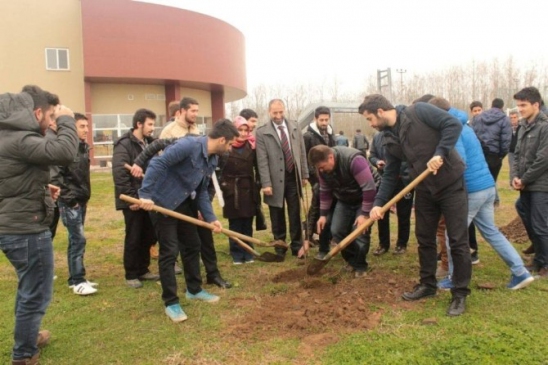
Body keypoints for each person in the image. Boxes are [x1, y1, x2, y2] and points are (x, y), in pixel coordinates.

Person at [360, 94, 471, 317]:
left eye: (370, 118)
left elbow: (452, 124)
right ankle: (427, 285)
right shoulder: (387, 137)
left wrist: (440, 153)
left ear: (381, 111)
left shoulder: (418, 111)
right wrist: (379, 203)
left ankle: (459, 294)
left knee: (457, 240)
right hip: (425, 189)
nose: (370, 124)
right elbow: (390, 173)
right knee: (424, 238)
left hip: (450, 184)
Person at [0, 85, 78, 365]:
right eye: (50, 116)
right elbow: (65, 152)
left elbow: (8, 179)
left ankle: (28, 337)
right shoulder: (21, 138)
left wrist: (41, 187)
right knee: (35, 293)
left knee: (28, 287)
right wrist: (68, 118)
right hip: (26, 230)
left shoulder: (6, 136)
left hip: (12, 225)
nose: (52, 122)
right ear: (36, 113)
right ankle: (23, 355)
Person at [428, 97, 534, 291]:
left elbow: (459, 163)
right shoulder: (462, 124)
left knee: (454, 236)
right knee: (491, 231)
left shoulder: (452, 130)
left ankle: (454, 277)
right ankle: (520, 272)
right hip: (486, 185)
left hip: (472, 190)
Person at [138, 120, 239, 322]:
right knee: (169, 252)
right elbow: (158, 163)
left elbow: (201, 190)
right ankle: (171, 302)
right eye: (229, 144)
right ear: (221, 140)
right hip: (162, 202)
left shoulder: (212, 159)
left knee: (193, 244)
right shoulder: (188, 145)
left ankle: (194, 289)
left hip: (183, 202)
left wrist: (211, 218)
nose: (229, 149)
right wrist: (145, 194)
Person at [308, 145, 376, 277]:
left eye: (322, 167)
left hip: (365, 198)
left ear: (331, 157)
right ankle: (351, 261)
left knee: (360, 232)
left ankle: (361, 266)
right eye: (318, 168)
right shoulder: (322, 170)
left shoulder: (354, 160)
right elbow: (325, 191)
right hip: (345, 199)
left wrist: (365, 214)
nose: (320, 170)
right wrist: (322, 216)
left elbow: (369, 188)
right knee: (337, 231)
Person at [112, 108, 159, 288]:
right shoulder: (124, 144)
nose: (152, 128)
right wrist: (130, 199)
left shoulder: (150, 143)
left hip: (148, 197)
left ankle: (143, 269)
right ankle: (131, 273)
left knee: (148, 234)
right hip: (132, 198)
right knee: (134, 236)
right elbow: (119, 173)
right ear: (138, 124)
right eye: (149, 124)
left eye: (153, 124)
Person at [256, 99, 308, 258]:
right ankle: (280, 245)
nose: (278, 116)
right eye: (275, 112)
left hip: (293, 177)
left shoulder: (294, 126)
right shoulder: (262, 132)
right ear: (269, 112)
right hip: (274, 180)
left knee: (294, 212)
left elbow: (301, 152)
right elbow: (262, 160)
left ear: (284, 110)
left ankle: (297, 246)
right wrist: (266, 183)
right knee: (276, 214)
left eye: (281, 112)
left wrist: (304, 174)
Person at [55, 113, 98, 295]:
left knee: (76, 241)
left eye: (87, 126)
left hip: (81, 199)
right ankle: (78, 281)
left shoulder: (83, 147)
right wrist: (70, 200)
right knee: (78, 239)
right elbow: (56, 177)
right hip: (70, 202)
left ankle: (76, 278)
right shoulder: (64, 149)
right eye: (82, 126)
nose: (86, 130)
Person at [512, 87, 548, 279]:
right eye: (518, 105)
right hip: (525, 184)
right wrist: (515, 176)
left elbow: (543, 159)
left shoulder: (545, 127)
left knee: (541, 224)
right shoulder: (523, 126)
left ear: (536, 105)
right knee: (524, 211)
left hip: (541, 185)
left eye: (523, 105)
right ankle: (539, 258)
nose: (520, 109)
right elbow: (516, 154)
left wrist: (524, 179)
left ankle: (546, 263)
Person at [218, 117, 259, 264]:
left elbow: (257, 167)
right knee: (235, 223)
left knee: (247, 222)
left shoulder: (252, 146)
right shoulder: (226, 147)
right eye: (240, 130)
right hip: (231, 188)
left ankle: (248, 251)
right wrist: (224, 185)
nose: (242, 133)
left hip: (248, 188)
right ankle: (236, 253)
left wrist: (257, 184)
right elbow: (219, 169)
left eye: (245, 130)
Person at [369, 131, 413, 256]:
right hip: (385, 181)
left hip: (404, 180)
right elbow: (372, 155)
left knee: (404, 213)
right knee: (381, 213)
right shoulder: (377, 137)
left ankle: (401, 244)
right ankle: (383, 244)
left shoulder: (402, 135)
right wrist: (377, 161)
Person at [303, 106, 337, 258]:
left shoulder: (330, 133)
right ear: (315, 119)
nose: (324, 122)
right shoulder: (308, 136)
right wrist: (313, 174)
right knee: (317, 203)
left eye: (326, 119)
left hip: (330, 174)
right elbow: (306, 157)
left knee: (331, 204)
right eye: (321, 120)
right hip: (316, 175)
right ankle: (310, 234)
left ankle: (327, 234)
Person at [471, 98, 512, 207]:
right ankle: (491, 203)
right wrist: (501, 156)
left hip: (480, 152)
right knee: (491, 180)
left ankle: (483, 203)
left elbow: (473, 135)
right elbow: (506, 141)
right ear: (502, 107)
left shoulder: (478, 118)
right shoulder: (505, 119)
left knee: (480, 179)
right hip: (494, 154)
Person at [239, 108, 267, 231]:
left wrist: (259, 182)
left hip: (251, 185)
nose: (254, 125)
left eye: (256, 122)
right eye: (252, 121)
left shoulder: (253, 142)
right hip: (236, 186)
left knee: (250, 215)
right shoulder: (232, 142)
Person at [508, 109, 520, 186]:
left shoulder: (522, 126)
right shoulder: (507, 127)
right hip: (511, 150)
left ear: (518, 117)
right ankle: (512, 183)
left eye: (514, 117)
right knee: (512, 167)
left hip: (520, 150)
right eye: (511, 117)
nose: (513, 119)